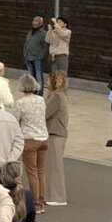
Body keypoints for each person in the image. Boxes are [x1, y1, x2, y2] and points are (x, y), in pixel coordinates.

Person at [12, 74, 48, 214]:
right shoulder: (41, 100)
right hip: (43, 138)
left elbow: (15, 121)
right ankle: (41, 200)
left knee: (31, 172)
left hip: (29, 139)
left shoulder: (20, 103)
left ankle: (35, 203)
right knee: (40, 171)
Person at [43, 71, 68, 206]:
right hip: (55, 133)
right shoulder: (58, 95)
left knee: (54, 166)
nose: (46, 83)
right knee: (51, 165)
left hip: (55, 133)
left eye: (48, 81)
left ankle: (56, 196)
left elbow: (45, 112)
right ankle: (51, 195)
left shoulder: (56, 96)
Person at [23, 17, 47, 92]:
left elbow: (45, 46)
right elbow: (26, 44)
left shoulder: (43, 33)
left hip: (37, 58)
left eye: (36, 21)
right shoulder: (30, 32)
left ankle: (39, 92)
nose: (34, 22)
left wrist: (40, 56)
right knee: (31, 76)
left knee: (38, 76)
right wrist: (25, 54)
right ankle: (32, 91)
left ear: (40, 23)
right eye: (33, 20)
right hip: (28, 57)